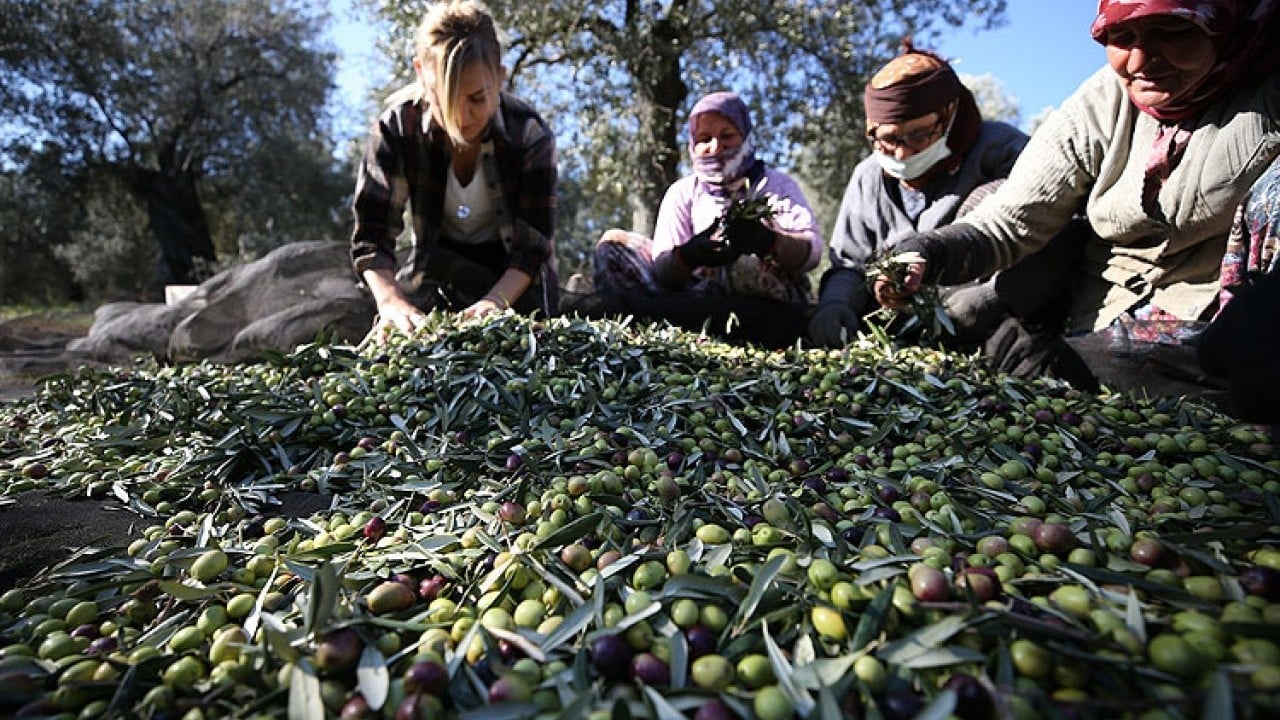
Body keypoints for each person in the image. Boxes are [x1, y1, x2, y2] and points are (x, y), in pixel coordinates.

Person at [873, 0, 1280, 391]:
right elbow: (1012, 217)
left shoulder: (1267, 88)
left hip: (1220, 330)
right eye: (1120, 38)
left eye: (1171, 31)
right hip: (1097, 319)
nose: (1138, 62)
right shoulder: (1104, 101)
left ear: (1226, 21)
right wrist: (930, 252)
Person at [350, 0, 558, 342]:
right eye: (444, 97)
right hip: (436, 263)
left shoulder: (530, 135)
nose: (462, 115)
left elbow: (533, 246)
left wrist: (494, 303)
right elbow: (372, 235)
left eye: (477, 98)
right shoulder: (397, 129)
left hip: (514, 277)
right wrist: (390, 302)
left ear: (500, 78)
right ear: (420, 72)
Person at [808, 44, 1030, 349]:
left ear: (950, 116)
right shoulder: (868, 177)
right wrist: (834, 304)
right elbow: (851, 264)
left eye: (919, 134)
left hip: (993, 325)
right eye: (888, 139)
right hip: (898, 334)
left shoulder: (1000, 149)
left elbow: (1039, 228)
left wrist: (977, 304)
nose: (902, 152)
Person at [588, 91, 824, 348]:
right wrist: (689, 255)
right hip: (695, 302)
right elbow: (662, 270)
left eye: (727, 136)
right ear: (692, 144)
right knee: (613, 246)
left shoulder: (775, 185)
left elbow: (811, 254)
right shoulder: (684, 192)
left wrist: (768, 241)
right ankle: (640, 321)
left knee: (743, 266)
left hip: (769, 305)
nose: (716, 146)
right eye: (704, 139)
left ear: (745, 136)